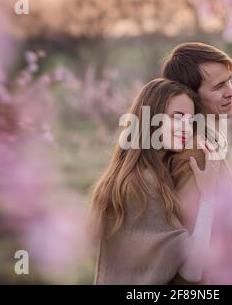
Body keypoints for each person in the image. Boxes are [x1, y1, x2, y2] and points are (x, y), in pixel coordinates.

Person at [89, 78, 221, 284]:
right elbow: (193, 269)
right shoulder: (142, 184)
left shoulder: (131, 175)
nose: (186, 128)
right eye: (177, 118)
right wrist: (208, 197)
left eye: (191, 120)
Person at [161, 42, 232, 284]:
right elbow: (193, 254)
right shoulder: (194, 155)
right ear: (191, 96)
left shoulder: (205, 145)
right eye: (219, 86)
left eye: (230, 80)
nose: (231, 92)